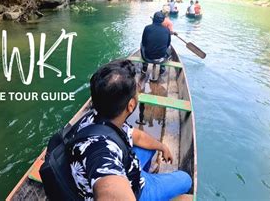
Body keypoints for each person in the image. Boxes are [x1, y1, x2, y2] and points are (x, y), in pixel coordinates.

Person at [69, 59, 192, 200]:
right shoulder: (101, 152)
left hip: (129, 172)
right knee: (185, 180)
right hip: (137, 191)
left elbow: (136, 136)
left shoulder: (97, 116)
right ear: (131, 105)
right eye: (137, 91)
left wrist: (162, 147)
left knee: (149, 147)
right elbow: (109, 189)